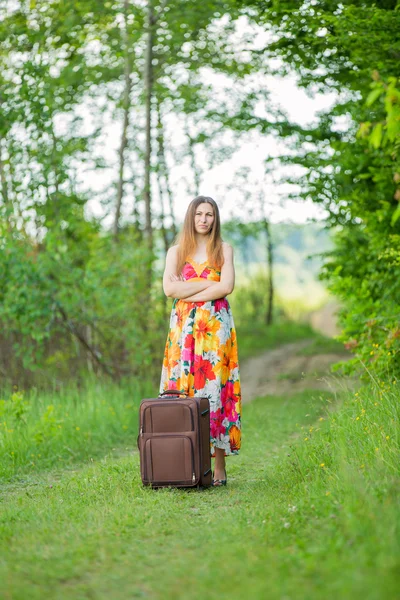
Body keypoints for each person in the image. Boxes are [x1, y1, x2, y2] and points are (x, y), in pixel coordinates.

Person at [159, 195, 242, 487]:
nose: (204, 220)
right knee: (183, 391)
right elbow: (169, 289)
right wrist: (210, 284)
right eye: (199, 214)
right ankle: (185, 462)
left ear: (215, 219)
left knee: (215, 391)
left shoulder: (224, 250)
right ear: (191, 218)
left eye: (209, 214)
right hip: (183, 330)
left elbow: (228, 286)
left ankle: (218, 466)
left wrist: (188, 290)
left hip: (216, 329)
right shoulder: (176, 252)